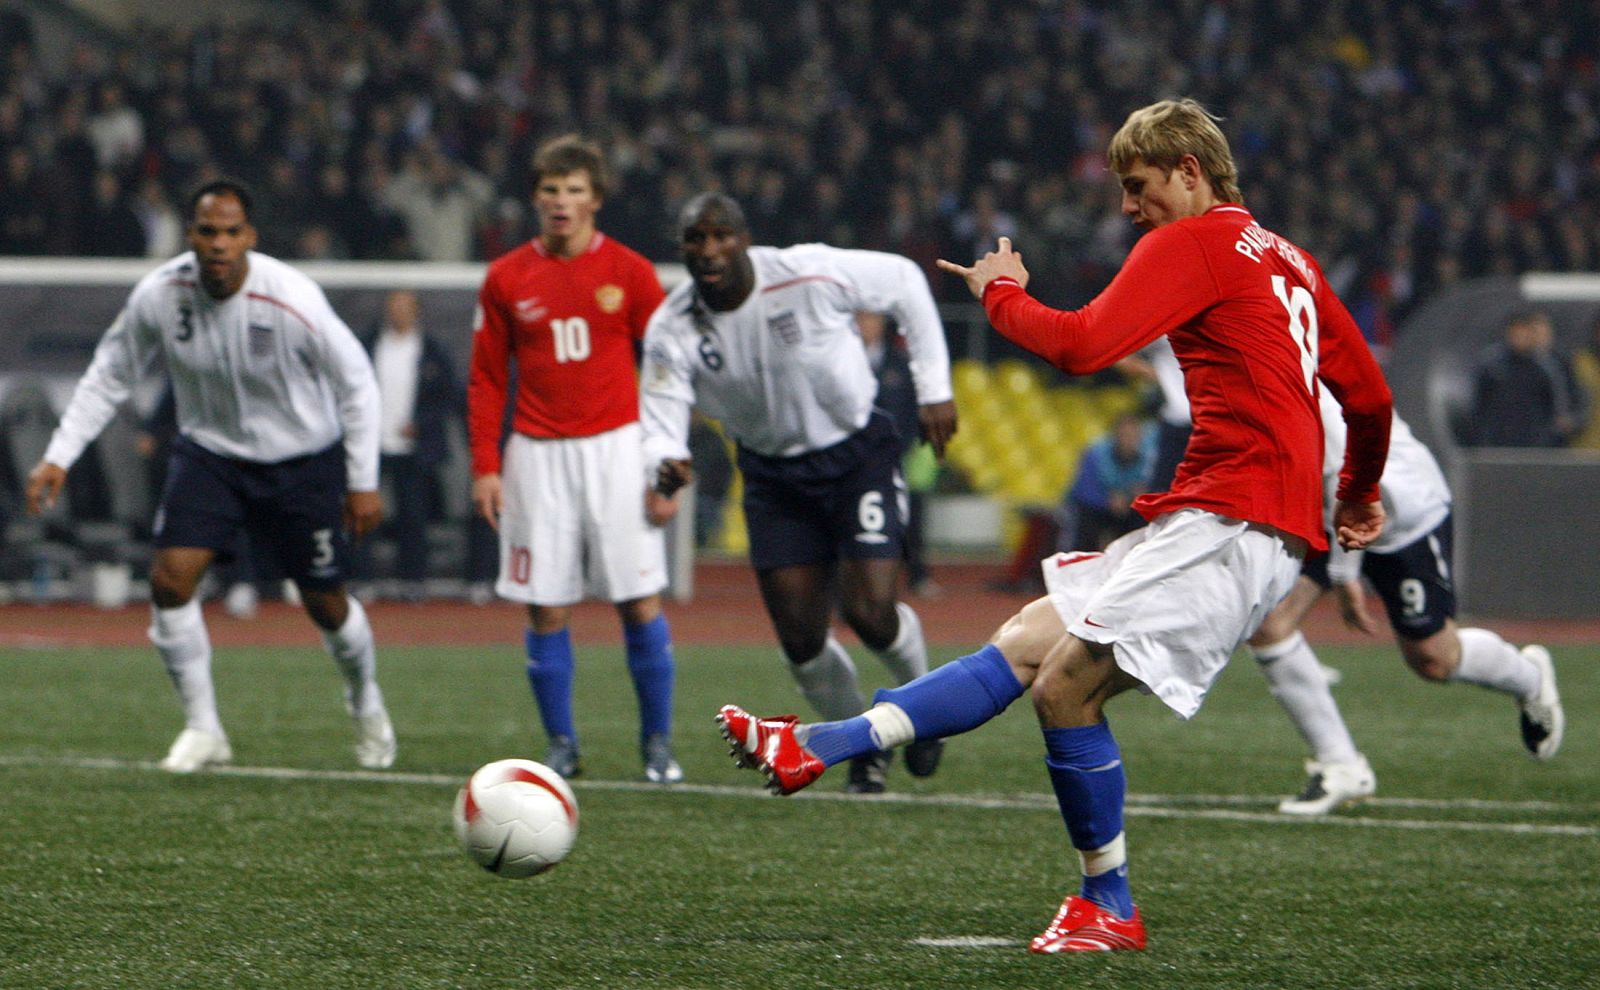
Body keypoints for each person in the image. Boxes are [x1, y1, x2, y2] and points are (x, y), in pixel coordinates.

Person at [715, 98, 1393, 952]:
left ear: (1190, 171)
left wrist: (1002, 296)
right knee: (1028, 639)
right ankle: (816, 744)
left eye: (1138, 186)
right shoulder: (1289, 258)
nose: (1127, 207)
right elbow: (1368, 395)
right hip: (1225, 513)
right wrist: (1358, 491)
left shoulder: (1192, 241)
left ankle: (1109, 904)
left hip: (1233, 519)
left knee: (1064, 688)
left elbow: (1081, 346)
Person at [25, 178, 396, 773]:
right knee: (170, 582)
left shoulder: (292, 297)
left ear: (249, 237)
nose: (218, 244)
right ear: (190, 234)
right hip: (211, 457)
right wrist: (58, 455)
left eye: (230, 232)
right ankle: (203, 729)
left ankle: (366, 702)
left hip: (301, 462)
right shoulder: (160, 294)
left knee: (326, 602)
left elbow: (356, 382)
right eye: (207, 231)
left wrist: (362, 480)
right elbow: (109, 374)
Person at [642, 192, 958, 794]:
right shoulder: (671, 326)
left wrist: (933, 388)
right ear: (681, 248)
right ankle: (863, 746)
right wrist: (664, 460)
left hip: (855, 455)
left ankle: (928, 715)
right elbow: (660, 415)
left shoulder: (808, 271)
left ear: (744, 238)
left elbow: (906, 283)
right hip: (771, 475)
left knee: (870, 614)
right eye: (695, 239)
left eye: (720, 235)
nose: (709, 250)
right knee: (801, 640)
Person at [467, 134, 681, 784]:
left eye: (575, 191)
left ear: (596, 200)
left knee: (639, 600)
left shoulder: (630, 273)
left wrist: (666, 467)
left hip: (617, 450)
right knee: (545, 606)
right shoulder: (507, 276)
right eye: (552, 190)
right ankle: (561, 743)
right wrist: (486, 465)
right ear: (536, 197)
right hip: (536, 457)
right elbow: (486, 379)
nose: (562, 202)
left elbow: (670, 371)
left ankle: (657, 745)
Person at [1247, 387, 1563, 814]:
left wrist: (1344, 576)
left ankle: (1529, 678)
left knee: (1433, 659)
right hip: (1326, 512)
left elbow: (1351, 474)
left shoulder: (1293, 372)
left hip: (1399, 514)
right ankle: (1341, 765)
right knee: (1270, 625)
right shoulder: (1234, 369)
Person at [359, 288, 460, 600]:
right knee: (364, 512)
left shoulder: (431, 350)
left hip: (415, 449)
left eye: (404, 307)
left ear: (415, 311)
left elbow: (447, 396)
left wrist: (422, 424)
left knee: (413, 516)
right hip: (372, 444)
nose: (398, 312)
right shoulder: (369, 345)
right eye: (393, 306)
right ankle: (363, 579)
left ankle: (413, 580)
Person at [1461, 309, 1587, 447]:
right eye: (1516, 331)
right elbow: (1478, 406)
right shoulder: (1492, 364)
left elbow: (1561, 406)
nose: (1520, 336)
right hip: (1497, 442)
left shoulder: (1549, 366)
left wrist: (1562, 427)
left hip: (1537, 443)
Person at [1063, 412, 1157, 552]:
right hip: (1093, 507)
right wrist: (1107, 500)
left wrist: (1142, 494)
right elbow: (1083, 489)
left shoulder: (1149, 458)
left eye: (1134, 436)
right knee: (1086, 526)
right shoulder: (1096, 454)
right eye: (1125, 435)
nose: (1129, 440)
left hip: (1127, 508)